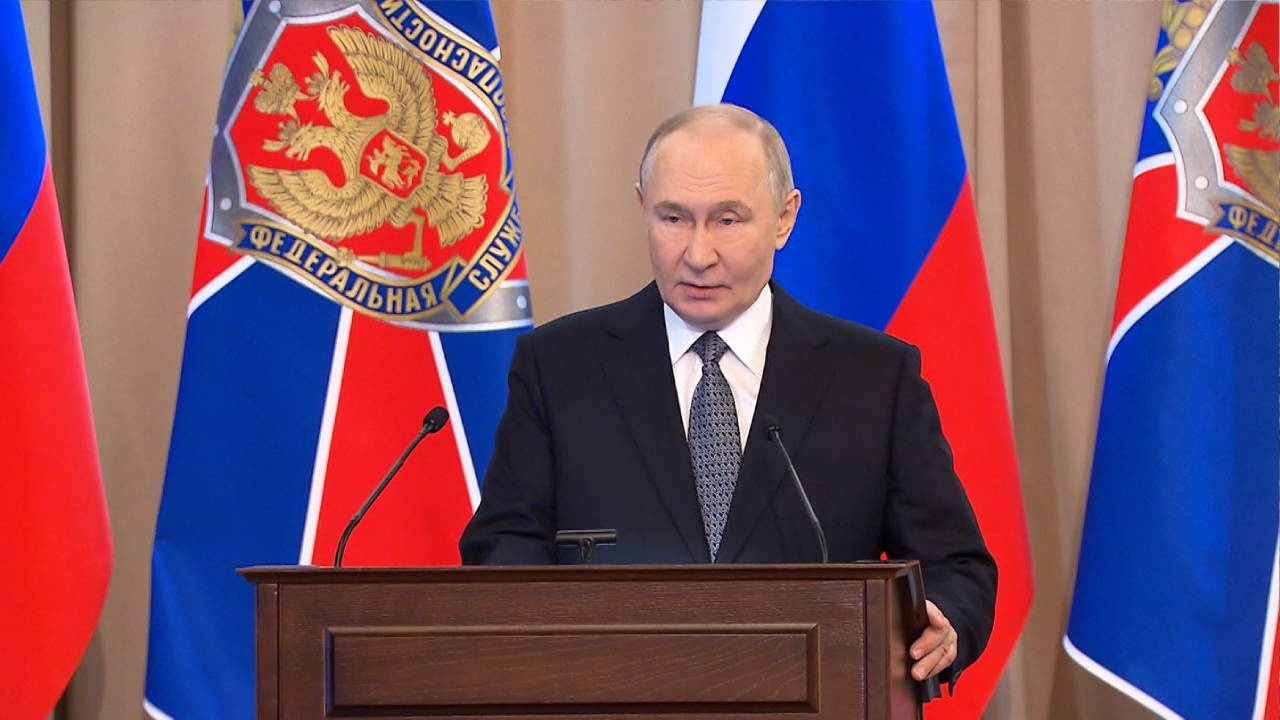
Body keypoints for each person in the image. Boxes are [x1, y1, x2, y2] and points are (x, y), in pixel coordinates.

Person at [459, 104, 997, 684]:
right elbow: (504, 544)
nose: (698, 254)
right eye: (674, 218)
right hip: (609, 691)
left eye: (728, 220)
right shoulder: (560, 365)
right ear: (642, 206)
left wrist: (945, 623)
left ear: (785, 218)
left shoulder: (874, 377)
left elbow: (956, 567)